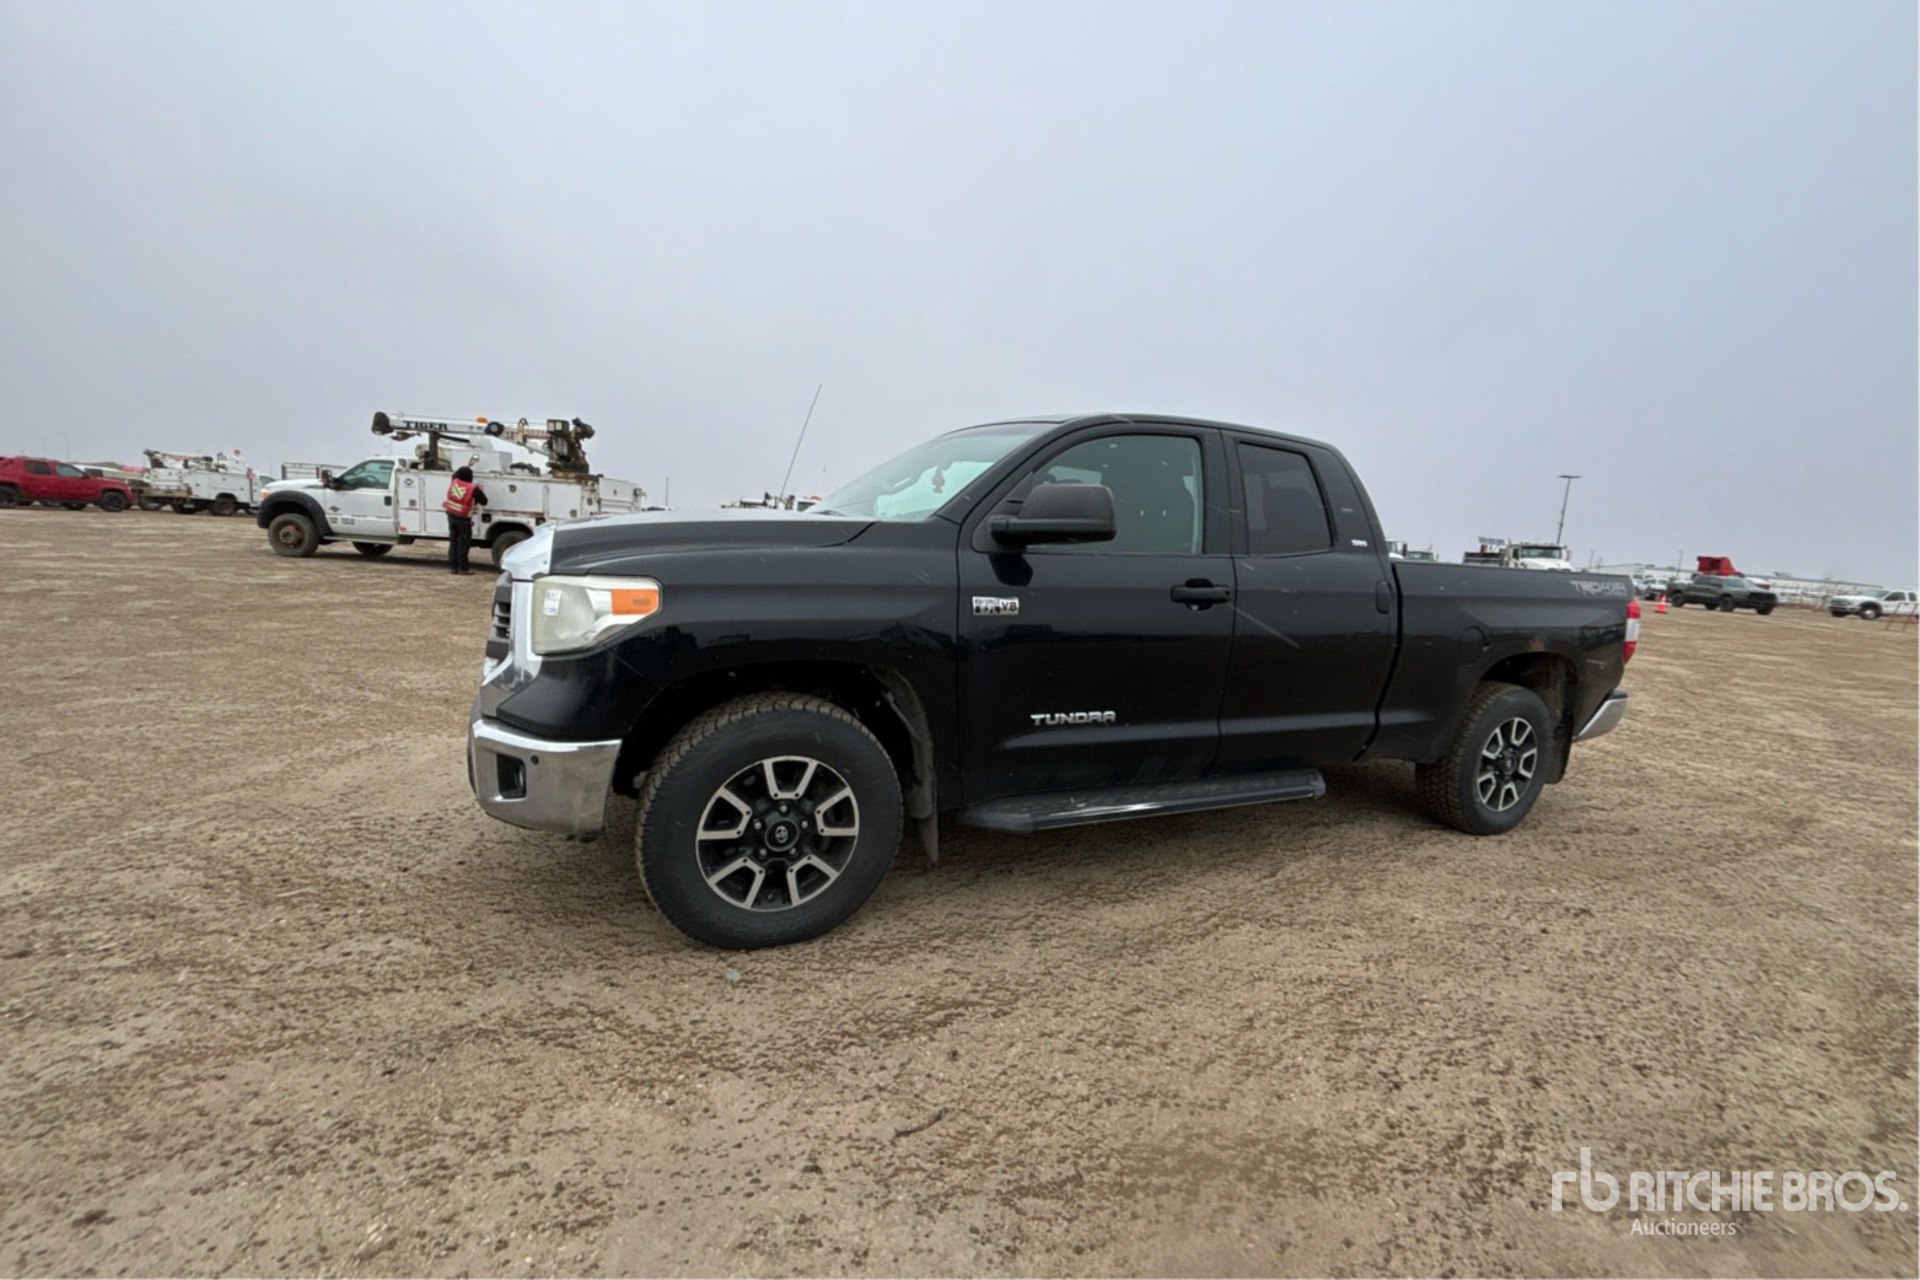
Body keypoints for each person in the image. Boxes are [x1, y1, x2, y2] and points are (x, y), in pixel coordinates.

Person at [443, 466, 488, 574]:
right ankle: (463, 568)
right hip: (463, 519)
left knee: (453, 542)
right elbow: (484, 501)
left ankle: (453, 567)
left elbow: (455, 474)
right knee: (463, 543)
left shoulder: (454, 482)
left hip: (451, 516)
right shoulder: (473, 489)